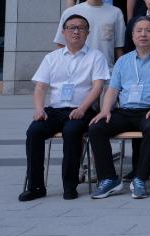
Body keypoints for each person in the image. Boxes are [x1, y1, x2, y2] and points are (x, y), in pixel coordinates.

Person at [18, 14, 109, 202]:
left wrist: (82, 108)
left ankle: (69, 185)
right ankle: (35, 186)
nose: (76, 31)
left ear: (87, 33)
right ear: (63, 32)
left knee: (72, 131)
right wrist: (39, 109)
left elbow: (98, 87)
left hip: (82, 110)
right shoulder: (51, 58)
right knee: (34, 132)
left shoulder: (96, 56)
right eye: (71, 27)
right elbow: (40, 87)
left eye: (81, 28)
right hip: (55, 110)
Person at [88, 16, 150, 200]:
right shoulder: (123, 61)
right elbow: (113, 89)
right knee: (96, 127)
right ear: (132, 35)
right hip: (125, 111)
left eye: (148, 30)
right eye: (139, 31)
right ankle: (109, 178)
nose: (143, 34)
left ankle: (140, 178)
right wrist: (105, 110)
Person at [54, 0, 126, 65]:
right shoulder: (70, 12)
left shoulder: (116, 13)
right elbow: (61, 44)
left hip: (106, 69)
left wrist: (121, 69)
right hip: (77, 69)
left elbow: (119, 47)